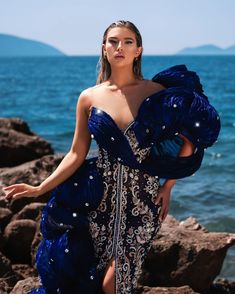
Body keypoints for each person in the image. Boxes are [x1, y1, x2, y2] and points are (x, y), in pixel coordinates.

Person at [3, 20, 220, 294]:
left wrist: (168, 185)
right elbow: (76, 153)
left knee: (113, 283)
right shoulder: (88, 97)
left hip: (143, 202)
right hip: (96, 199)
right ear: (104, 49)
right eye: (114, 41)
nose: (120, 47)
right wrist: (40, 187)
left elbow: (190, 140)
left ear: (138, 50)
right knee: (91, 278)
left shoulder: (156, 93)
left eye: (128, 42)